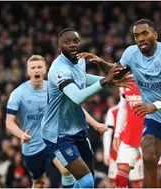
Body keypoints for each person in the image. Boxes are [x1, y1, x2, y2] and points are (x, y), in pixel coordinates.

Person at [77, 19, 161, 188]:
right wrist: (100, 62)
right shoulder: (131, 54)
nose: (140, 38)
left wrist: (156, 105)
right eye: (136, 35)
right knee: (148, 158)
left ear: (155, 35)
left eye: (144, 33)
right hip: (156, 118)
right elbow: (117, 75)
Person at [41, 28, 133, 188]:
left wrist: (109, 80)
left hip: (77, 128)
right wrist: (105, 82)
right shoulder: (58, 70)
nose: (72, 45)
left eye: (76, 41)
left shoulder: (80, 60)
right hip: (58, 134)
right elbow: (77, 97)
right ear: (59, 45)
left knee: (87, 181)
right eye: (67, 42)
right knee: (87, 181)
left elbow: (83, 78)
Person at [6, 55, 108, 188]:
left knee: (66, 171)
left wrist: (95, 124)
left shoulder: (55, 86)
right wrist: (21, 135)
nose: (36, 70)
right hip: (32, 144)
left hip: (53, 137)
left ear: (45, 69)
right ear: (28, 71)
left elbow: (73, 108)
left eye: (39, 67)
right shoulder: (18, 93)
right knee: (38, 182)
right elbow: (9, 122)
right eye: (33, 68)